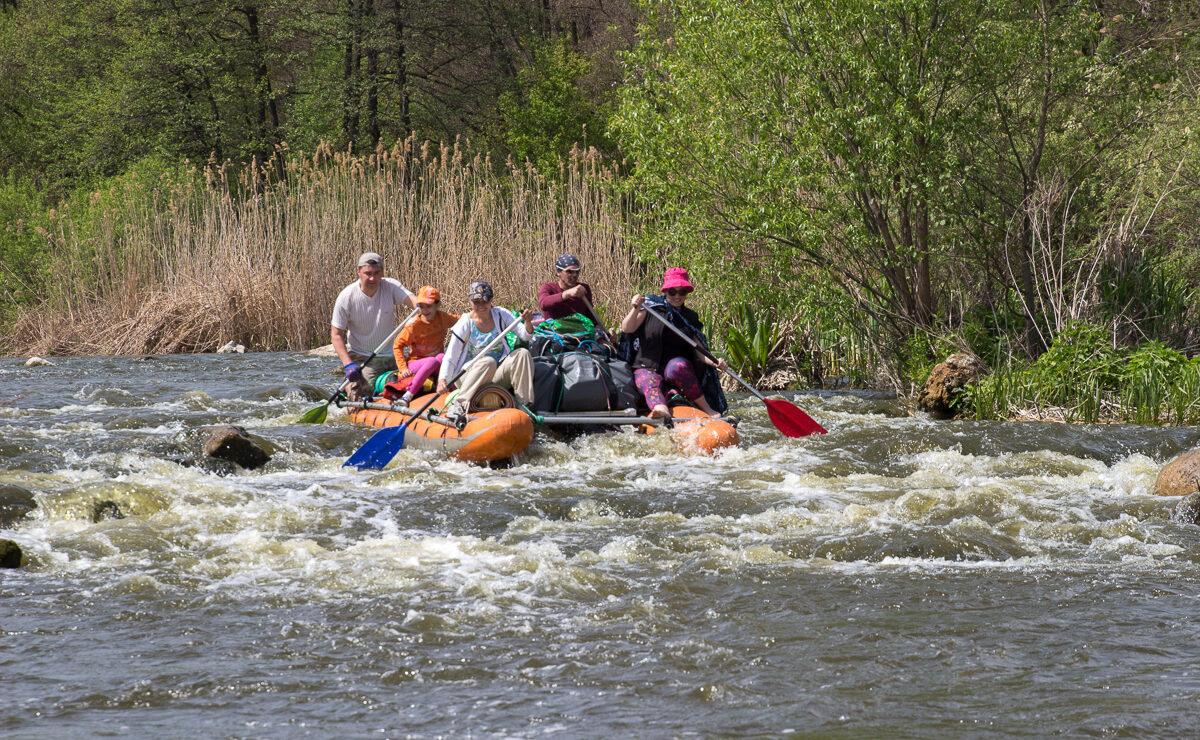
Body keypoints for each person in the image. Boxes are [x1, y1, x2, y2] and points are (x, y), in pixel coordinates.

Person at [619, 267, 728, 419]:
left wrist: (716, 362)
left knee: (679, 366)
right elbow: (627, 328)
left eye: (682, 292)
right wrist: (635, 308)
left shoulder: (690, 317)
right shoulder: (650, 308)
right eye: (672, 292)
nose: (677, 296)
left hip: (673, 368)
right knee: (649, 380)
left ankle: (708, 410)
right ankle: (661, 411)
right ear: (665, 291)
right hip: (647, 366)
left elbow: (699, 350)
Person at [438, 281, 536, 419]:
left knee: (523, 354)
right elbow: (451, 356)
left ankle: (524, 405)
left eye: (485, 300)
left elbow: (525, 335)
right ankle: (459, 404)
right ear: (470, 302)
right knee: (488, 361)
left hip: (495, 373)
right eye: (477, 301)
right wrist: (443, 379)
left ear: (491, 301)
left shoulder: (501, 314)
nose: (481, 305)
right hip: (468, 376)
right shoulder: (465, 322)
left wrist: (528, 322)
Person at [330, 251, 416, 399]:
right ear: (359, 271)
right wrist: (348, 364)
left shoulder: (390, 286)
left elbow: (414, 301)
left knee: (415, 382)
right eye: (367, 273)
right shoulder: (347, 297)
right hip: (363, 358)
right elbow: (336, 335)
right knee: (361, 392)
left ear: (382, 272)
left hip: (392, 356)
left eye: (377, 273)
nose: (372, 278)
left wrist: (422, 307)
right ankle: (350, 392)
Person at [390, 286, 458, 405]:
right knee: (432, 360)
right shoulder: (413, 325)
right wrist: (402, 368)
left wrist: (479, 312)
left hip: (436, 364)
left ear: (437, 305)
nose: (425, 310)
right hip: (415, 364)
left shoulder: (443, 318)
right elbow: (397, 345)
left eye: (429, 306)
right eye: (421, 306)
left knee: (442, 357)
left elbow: (461, 319)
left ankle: (454, 392)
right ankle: (408, 395)